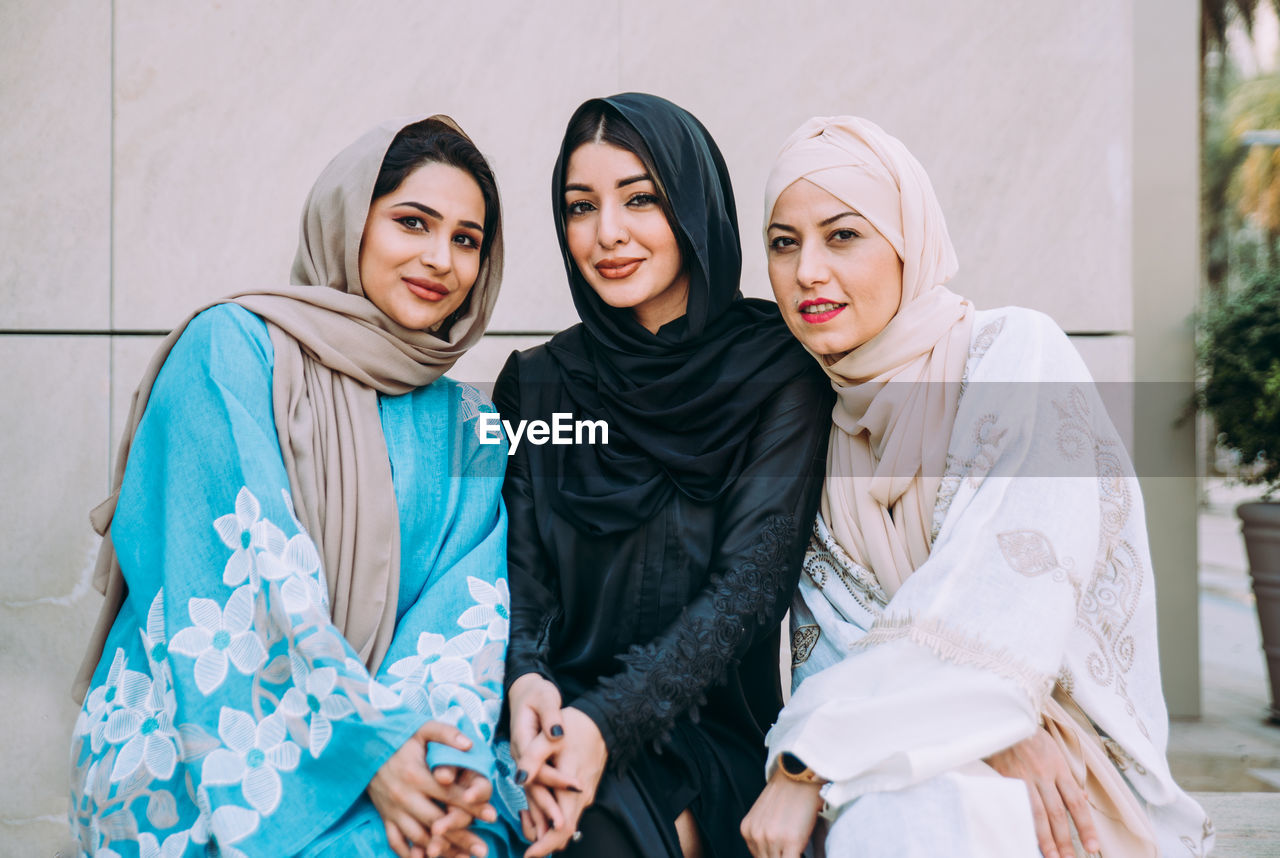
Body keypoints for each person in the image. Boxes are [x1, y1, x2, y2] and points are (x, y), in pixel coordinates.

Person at [739, 115, 1214, 858]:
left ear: (908, 241)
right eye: (783, 243)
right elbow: (837, 649)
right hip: (886, 760)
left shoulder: (1012, 354)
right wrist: (957, 734)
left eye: (842, 236)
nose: (807, 273)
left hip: (1060, 759)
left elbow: (1005, 596)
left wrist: (807, 763)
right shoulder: (811, 429)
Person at [67, 115, 520, 858]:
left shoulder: (472, 423)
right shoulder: (228, 348)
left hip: (401, 752)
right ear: (350, 222)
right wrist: (364, 749)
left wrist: (434, 766)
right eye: (413, 222)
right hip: (203, 742)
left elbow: (462, 615)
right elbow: (249, 579)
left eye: (467, 240)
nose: (442, 259)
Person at [494, 93, 833, 858]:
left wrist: (602, 728)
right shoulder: (541, 384)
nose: (606, 232)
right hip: (552, 725)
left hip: (705, 739)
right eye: (581, 206)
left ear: (692, 203)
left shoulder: (778, 369)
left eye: (640, 198)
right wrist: (527, 683)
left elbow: (746, 592)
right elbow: (527, 582)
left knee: (595, 832)